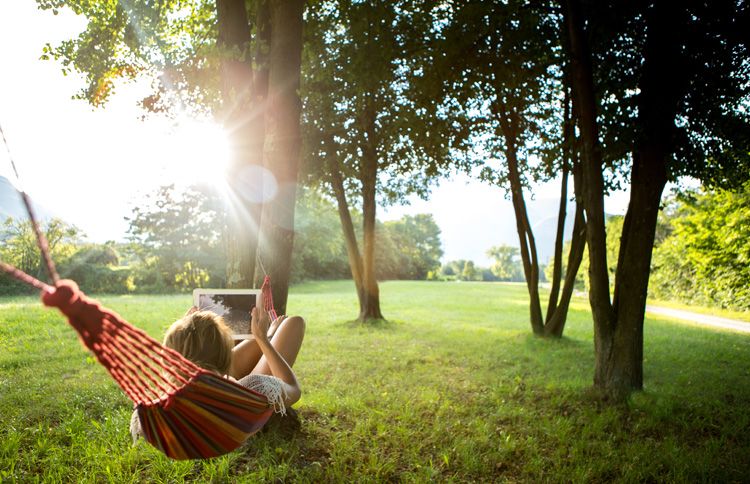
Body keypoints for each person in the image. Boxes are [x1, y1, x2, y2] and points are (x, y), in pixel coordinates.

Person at [130, 305, 305, 441]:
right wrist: (263, 341)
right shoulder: (254, 389)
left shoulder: (152, 409)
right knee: (293, 323)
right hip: (234, 400)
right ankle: (268, 333)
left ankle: (269, 332)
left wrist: (185, 334)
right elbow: (292, 389)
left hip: (210, 390)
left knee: (284, 327)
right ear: (226, 354)